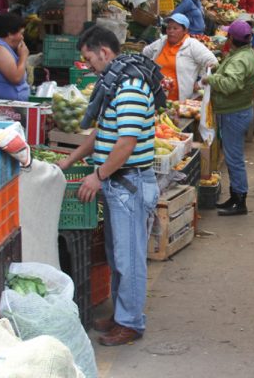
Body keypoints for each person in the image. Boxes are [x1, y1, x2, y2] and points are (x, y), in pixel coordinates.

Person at [57, 26, 162, 347]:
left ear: (104, 52)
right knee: (118, 256)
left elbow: (125, 145)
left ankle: (131, 323)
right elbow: (102, 133)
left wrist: (98, 175)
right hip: (118, 185)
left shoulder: (130, 88)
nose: (89, 66)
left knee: (129, 259)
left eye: (89, 59)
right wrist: (70, 160)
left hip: (129, 184)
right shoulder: (115, 82)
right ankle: (121, 314)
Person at [204, 20, 254, 216]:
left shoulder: (240, 59)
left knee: (234, 159)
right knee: (232, 157)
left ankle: (239, 201)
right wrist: (217, 68)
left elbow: (230, 84)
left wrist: (210, 79)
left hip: (234, 113)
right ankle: (235, 197)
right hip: (238, 111)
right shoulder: (244, 53)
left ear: (231, 39)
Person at [142, 13, 217, 101]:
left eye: (175, 28)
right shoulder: (162, 41)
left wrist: (201, 83)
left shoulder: (192, 45)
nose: (171, 31)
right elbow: (144, 53)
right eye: (169, 28)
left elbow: (214, 63)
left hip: (178, 101)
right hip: (154, 96)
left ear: (185, 31)